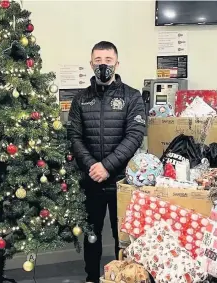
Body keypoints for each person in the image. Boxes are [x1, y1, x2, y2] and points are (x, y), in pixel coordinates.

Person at [67, 41, 146, 283]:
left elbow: (135, 136)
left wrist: (107, 166)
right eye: (98, 61)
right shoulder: (80, 99)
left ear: (117, 63)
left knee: (123, 236)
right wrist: (93, 166)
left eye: (108, 60)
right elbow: (74, 136)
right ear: (91, 64)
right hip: (91, 180)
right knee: (92, 235)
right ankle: (91, 277)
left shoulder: (132, 97)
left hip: (122, 182)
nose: (103, 65)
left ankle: (122, 279)